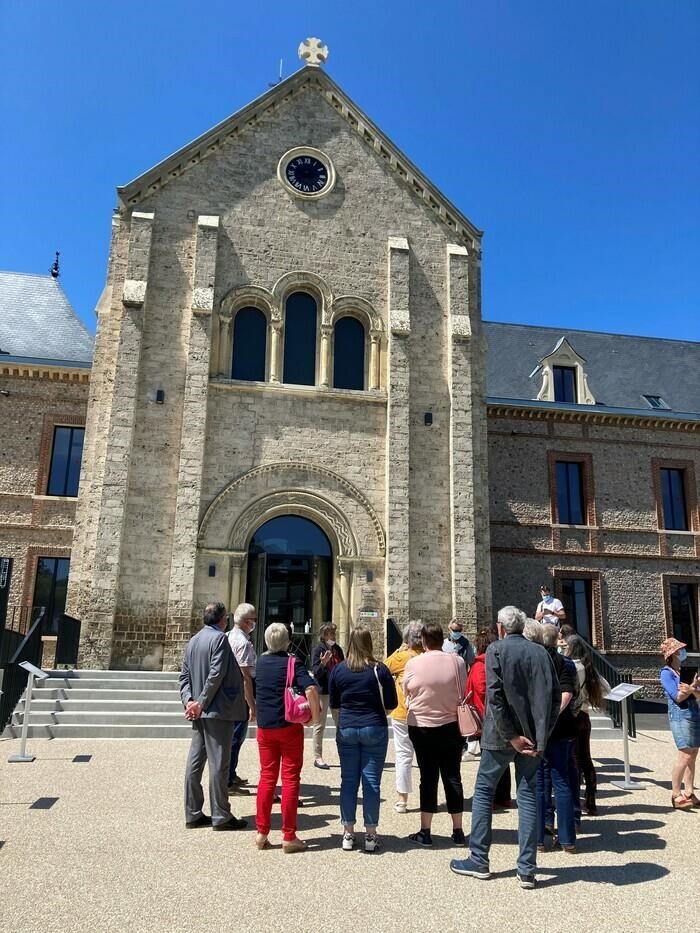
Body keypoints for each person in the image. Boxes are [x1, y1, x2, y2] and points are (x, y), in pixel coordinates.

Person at [450, 606, 560, 890]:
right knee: (527, 797)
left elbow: (495, 697)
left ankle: (479, 860)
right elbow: (555, 698)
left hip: (501, 736)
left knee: (485, 792)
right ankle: (526, 869)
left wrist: (511, 736)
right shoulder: (541, 653)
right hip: (533, 738)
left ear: (500, 627)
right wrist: (541, 736)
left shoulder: (497, 650)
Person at [179, 601, 248, 831]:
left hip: (199, 711)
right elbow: (216, 674)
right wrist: (200, 703)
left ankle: (193, 812)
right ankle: (221, 815)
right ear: (222, 619)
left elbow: (184, 676)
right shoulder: (219, 639)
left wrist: (189, 701)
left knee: (195, 763)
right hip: (216, 711)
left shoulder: (193, 640)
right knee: (219, 764)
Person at [329, 625, 398, 852]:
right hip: (373, 727)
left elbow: (335, 704)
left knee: (348, 782)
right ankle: (370, 834)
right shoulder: (380, 669)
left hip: (348, 727)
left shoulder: (339, 670)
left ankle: (348, 833)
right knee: (371, 783)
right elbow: (391, 704)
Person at [254, 622, 321, 852]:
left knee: (266, 778)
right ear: (287, 642)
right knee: (290, 779)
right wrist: (314, 717)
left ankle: (262, 833)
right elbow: (311, 689)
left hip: (265, 728)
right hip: (289, 728)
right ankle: (289, 835)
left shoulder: (260, 662)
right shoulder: (293, 662)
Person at [403, 622, 467, 847]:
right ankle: (458, 831)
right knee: (453, 776)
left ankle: (426, 830)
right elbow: (463, 689)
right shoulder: (457, 661)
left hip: (422, 726)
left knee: (427, 777)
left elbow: (406, 690)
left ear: (423, 641)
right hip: (451, 724)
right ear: (443, 639)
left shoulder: (413, 663)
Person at [537, 623, 579, 853]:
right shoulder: (567, 664)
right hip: (562, 729)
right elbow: (568, 692)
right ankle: (567, 840)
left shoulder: (535, 661)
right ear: (557, 641)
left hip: (542, 729)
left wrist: (544, 719)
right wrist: (555, 715)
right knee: (562, 781)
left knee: (541, 782)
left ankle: (541, 839)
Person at [465, 627, 512, 808]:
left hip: (487, 719)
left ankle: (491, 798)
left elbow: (483, 689)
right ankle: (504, 796)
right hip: (499, 716)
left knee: (490, 760)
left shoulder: (480, 664)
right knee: (503, 760)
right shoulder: (501, 662)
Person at [566, 633, 610, 815]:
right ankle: (591, 801)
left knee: (574, 761)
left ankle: (574, 802)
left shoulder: (570, 666)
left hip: (572, 715)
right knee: (586, 759)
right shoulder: (588, 667)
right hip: (585, 715)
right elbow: (606, 688)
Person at [385, 620, 424, 813]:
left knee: (403, 755)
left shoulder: (402, 657)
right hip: (426, 713)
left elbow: (383, 669)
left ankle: (402, 799)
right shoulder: (427, 656)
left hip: (403, 713)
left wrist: (398, 650)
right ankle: (428, 799)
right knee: (426, 756)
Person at [659, 637, 700, 810]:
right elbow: (677, 697)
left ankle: (689, 791)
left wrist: (692, 688)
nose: (682, 652)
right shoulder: (666, 673)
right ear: (673, 653)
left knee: (693, 754)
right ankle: (676, 793)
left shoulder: (683, 671)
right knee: (684, 754)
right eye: (679, 649)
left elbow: (696, 694)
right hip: (680, 715)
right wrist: (691, 688)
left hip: (693, 712)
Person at [227, 602, 257, 793]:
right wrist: (252, 704)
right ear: (247, 622)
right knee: (236, 737)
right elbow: (246, 676)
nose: (254, 623)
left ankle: (230, 774)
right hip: (240, 695)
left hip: (229, 693)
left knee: (232, 737)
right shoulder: (243, 643)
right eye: (254, 620)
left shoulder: (227, 636)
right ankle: (228, 781)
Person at [310, 623, 345, 769]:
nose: (334, 636)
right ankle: (318, 757)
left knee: (341, 724)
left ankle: (344, 754)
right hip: (323, 691)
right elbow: (316, 673)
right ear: (324, 635)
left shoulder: (337, 650)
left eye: (334, 633)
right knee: (319, 724)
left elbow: (343, 667)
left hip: (337, 691)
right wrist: (323, 663)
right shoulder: (318, 650)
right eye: (331, 633)